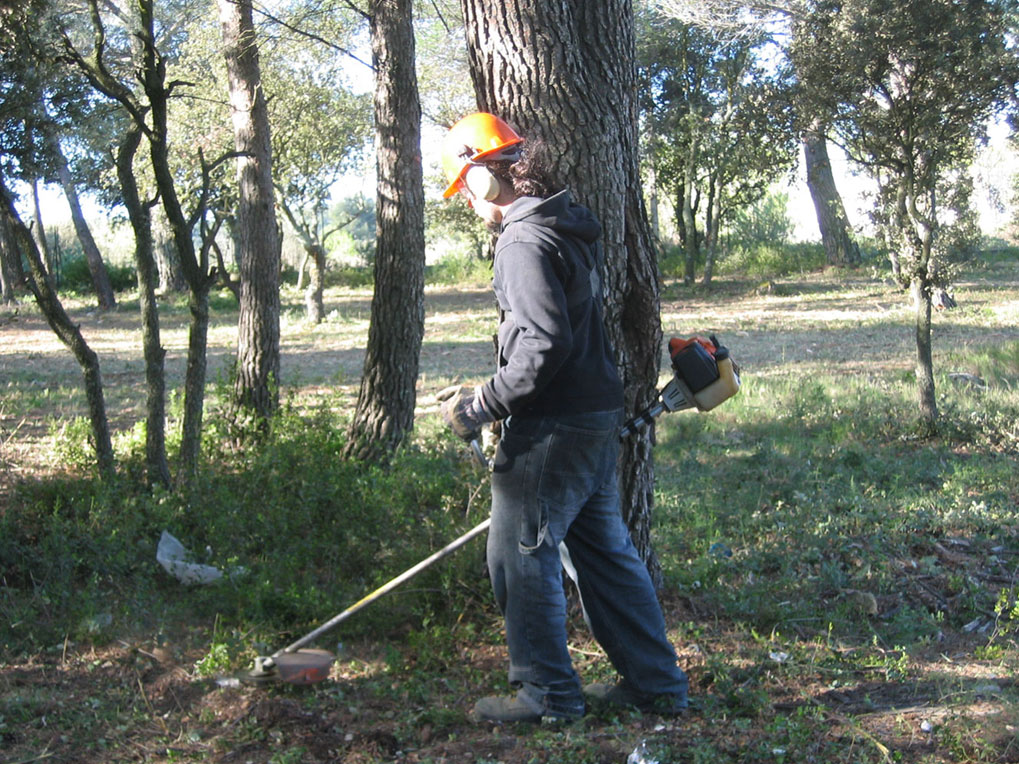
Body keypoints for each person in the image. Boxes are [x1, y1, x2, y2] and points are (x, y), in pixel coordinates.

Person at [437, 112, 688, 724]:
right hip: (594, 416)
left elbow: (541, 346)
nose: (469, 203)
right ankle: (655, 685)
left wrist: (479, 406)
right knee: (603, 554)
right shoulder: (561, 224)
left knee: (517, 556)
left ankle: (546, 695)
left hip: (554, 428)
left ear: (482, 180)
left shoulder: (522, 242)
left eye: (464, 188)